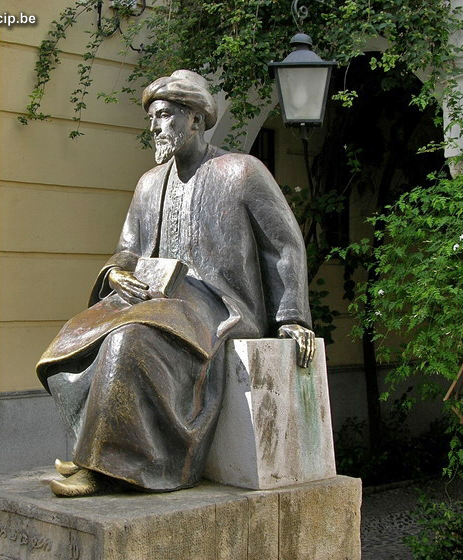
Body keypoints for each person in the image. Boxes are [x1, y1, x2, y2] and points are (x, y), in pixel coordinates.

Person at [36, 70, 315, 497]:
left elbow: (285, 245)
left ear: (196, 120)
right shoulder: (149, 183)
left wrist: (291, 317)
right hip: (158, 297)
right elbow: (126, 248)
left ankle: (108, 466)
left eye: (164, 115)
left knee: (128, 340)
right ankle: (91, 446)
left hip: (221, 304)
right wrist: (115, 273)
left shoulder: (241, 171)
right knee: (73, 339)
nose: (154, 127)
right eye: (151, 117)